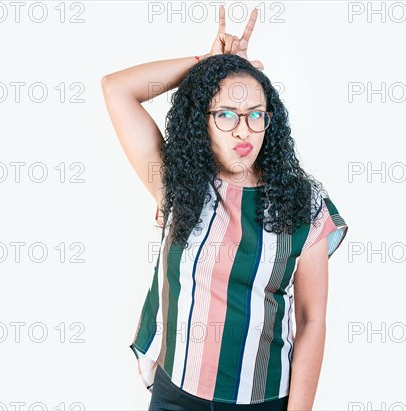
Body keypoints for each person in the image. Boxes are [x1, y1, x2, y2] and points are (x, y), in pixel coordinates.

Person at [101, 6, 348, 411]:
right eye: (226, 114)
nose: (242, 129)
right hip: (174, 393)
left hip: (261, 399)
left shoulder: (305, 206)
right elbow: (116, 88)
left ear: (271, 121)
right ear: (203, 121)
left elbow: (311, 322)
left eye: (255, 115)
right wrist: (210, 65)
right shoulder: (179, 187)